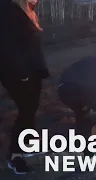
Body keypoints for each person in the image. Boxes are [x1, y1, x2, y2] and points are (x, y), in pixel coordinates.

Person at [0, 0, 50, 174]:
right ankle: (14, 156)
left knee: (31, 108)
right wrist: (22, 72)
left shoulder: (27, 10)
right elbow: (6, 44)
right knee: (26, 110)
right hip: (17, 71)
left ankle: (28, 144)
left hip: (32, 69)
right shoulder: (7, 8)